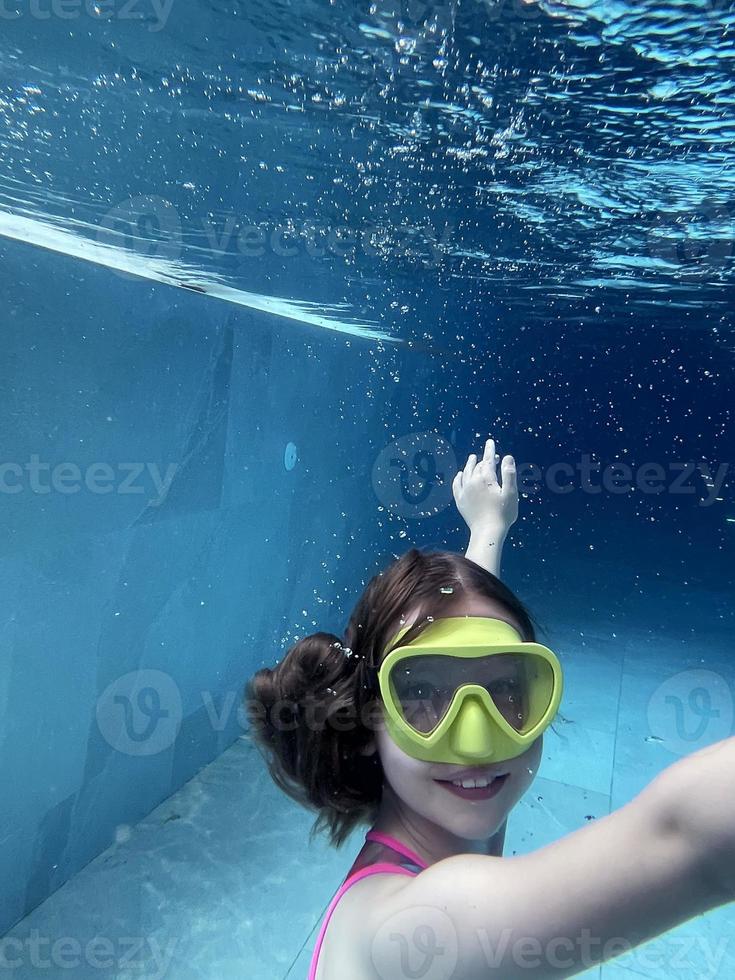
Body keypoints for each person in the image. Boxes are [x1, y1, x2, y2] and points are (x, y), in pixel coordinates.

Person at [244, 438, 735, 979]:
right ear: (366, 720)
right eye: (421, 695)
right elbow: (692, 839)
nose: (477, 741)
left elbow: (467, 639)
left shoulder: (441, 808)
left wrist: (488, 528)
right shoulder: (408, 928)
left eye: (505, 689)